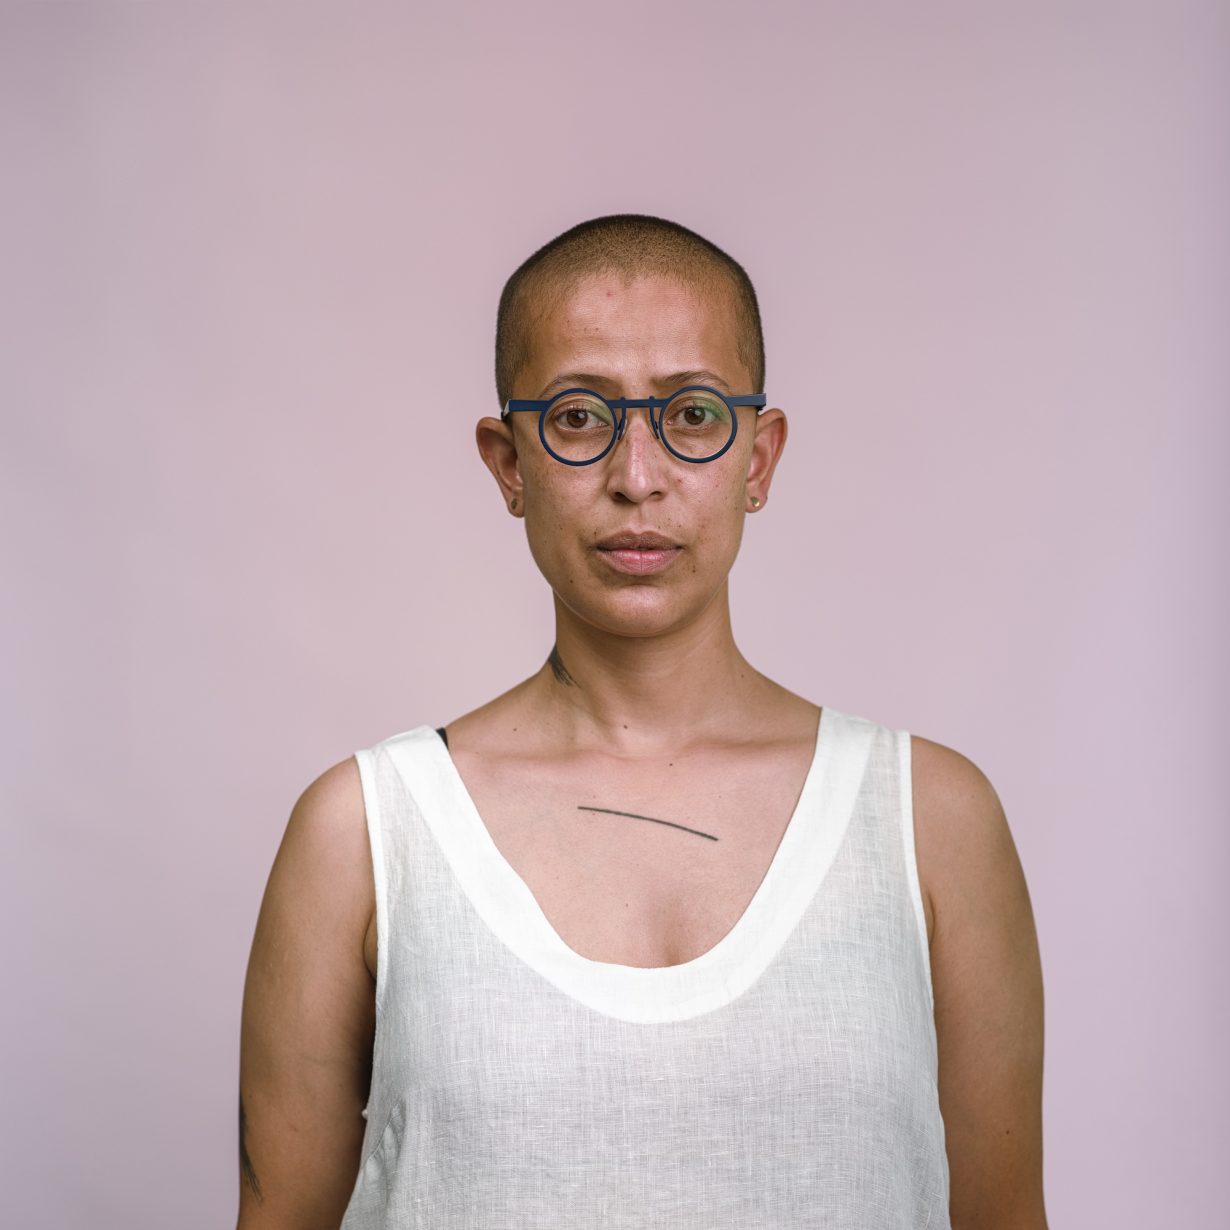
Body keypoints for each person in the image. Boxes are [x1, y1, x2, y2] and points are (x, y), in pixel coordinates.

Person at [237, 214, 1048, 1229]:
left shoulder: (931, 821)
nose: (636, 475)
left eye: (693, 414)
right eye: (579, 417)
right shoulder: (362, 834)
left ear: (759, 458)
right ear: (508, 463)